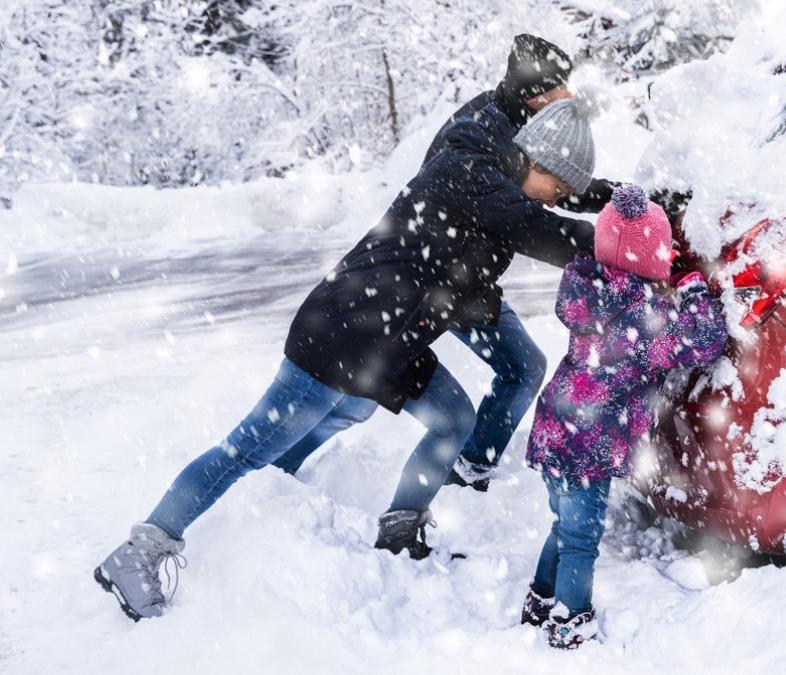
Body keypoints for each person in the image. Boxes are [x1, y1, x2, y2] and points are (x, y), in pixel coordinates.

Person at [94, 98, 598, 622]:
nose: (556, 202)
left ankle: (399, 528)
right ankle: (141, 551)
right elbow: (545, 232)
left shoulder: (499, 184)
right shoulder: (474, 175)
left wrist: (618, 204)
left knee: (451, 419)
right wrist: (623, 243)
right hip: (338, 337)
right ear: (536, 160)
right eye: (557, 190)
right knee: (247, 449)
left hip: (388, 344)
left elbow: (523, 226)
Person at [274, 34, 618, 493]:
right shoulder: (477, 134)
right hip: (439, 283)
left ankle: (469, 468)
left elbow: (556, 181)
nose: (571, 97)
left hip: (466, 278)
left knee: (522, 366)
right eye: (562, 89)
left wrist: (620, 202)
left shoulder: (529, 131)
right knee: (352, 401)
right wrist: (611, 246)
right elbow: (522, 216)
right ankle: (275, 476)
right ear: (537, 97)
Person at [517, 185, 728, 649]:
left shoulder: (588, 292)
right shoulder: (646, 320)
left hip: (556, 429)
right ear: (653, 257)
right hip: (586, 447)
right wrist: (692, 289)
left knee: (564, 526)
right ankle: (571, 620)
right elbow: (706, 339)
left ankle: (540, 598)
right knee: (580, 541)